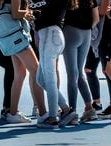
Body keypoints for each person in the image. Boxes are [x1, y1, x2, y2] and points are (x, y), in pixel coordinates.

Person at [0, 0, 47, 124]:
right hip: (17, 37)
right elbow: (16, 13)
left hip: (10, 37)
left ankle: (13, 113)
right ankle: (43, 113)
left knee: (20, 74)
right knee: (36, 70)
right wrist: (29, 13)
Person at [31, 0, 77, 128]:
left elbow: (33, 4)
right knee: (41, 79)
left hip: (50, 36)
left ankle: (52, 118)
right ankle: (67, 110)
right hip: (51, 36)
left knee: (49, 80)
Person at [63, 0, 100, 125]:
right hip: (86, 34)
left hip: (70, 32)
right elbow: (96, 18)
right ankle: (89, 108)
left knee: (72, 74)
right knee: (79, 72)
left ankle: (72, 112)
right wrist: (88, 28)